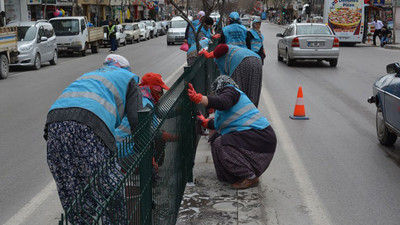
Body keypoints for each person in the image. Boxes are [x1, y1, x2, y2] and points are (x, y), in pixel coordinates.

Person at [44, 54, 143, 224]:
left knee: (73, 193)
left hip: (54, 125)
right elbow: (137, 120)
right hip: (89, 127)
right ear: (125, 69)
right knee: (108, 188)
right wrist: (143, 151)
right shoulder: (129, 79)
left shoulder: (90, 77)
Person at [187, 76, 277, 189]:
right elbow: (219, 124)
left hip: (261, 139)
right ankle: (233, 176)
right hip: (258, 141)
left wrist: (199, 98)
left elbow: (223, 102)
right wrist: (205, 122)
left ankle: (250, 177)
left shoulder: (231, 90)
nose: (215, 94)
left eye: (215, 92)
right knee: (215, 140)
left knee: (221, 143)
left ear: (220, 86)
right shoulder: (230, 102)